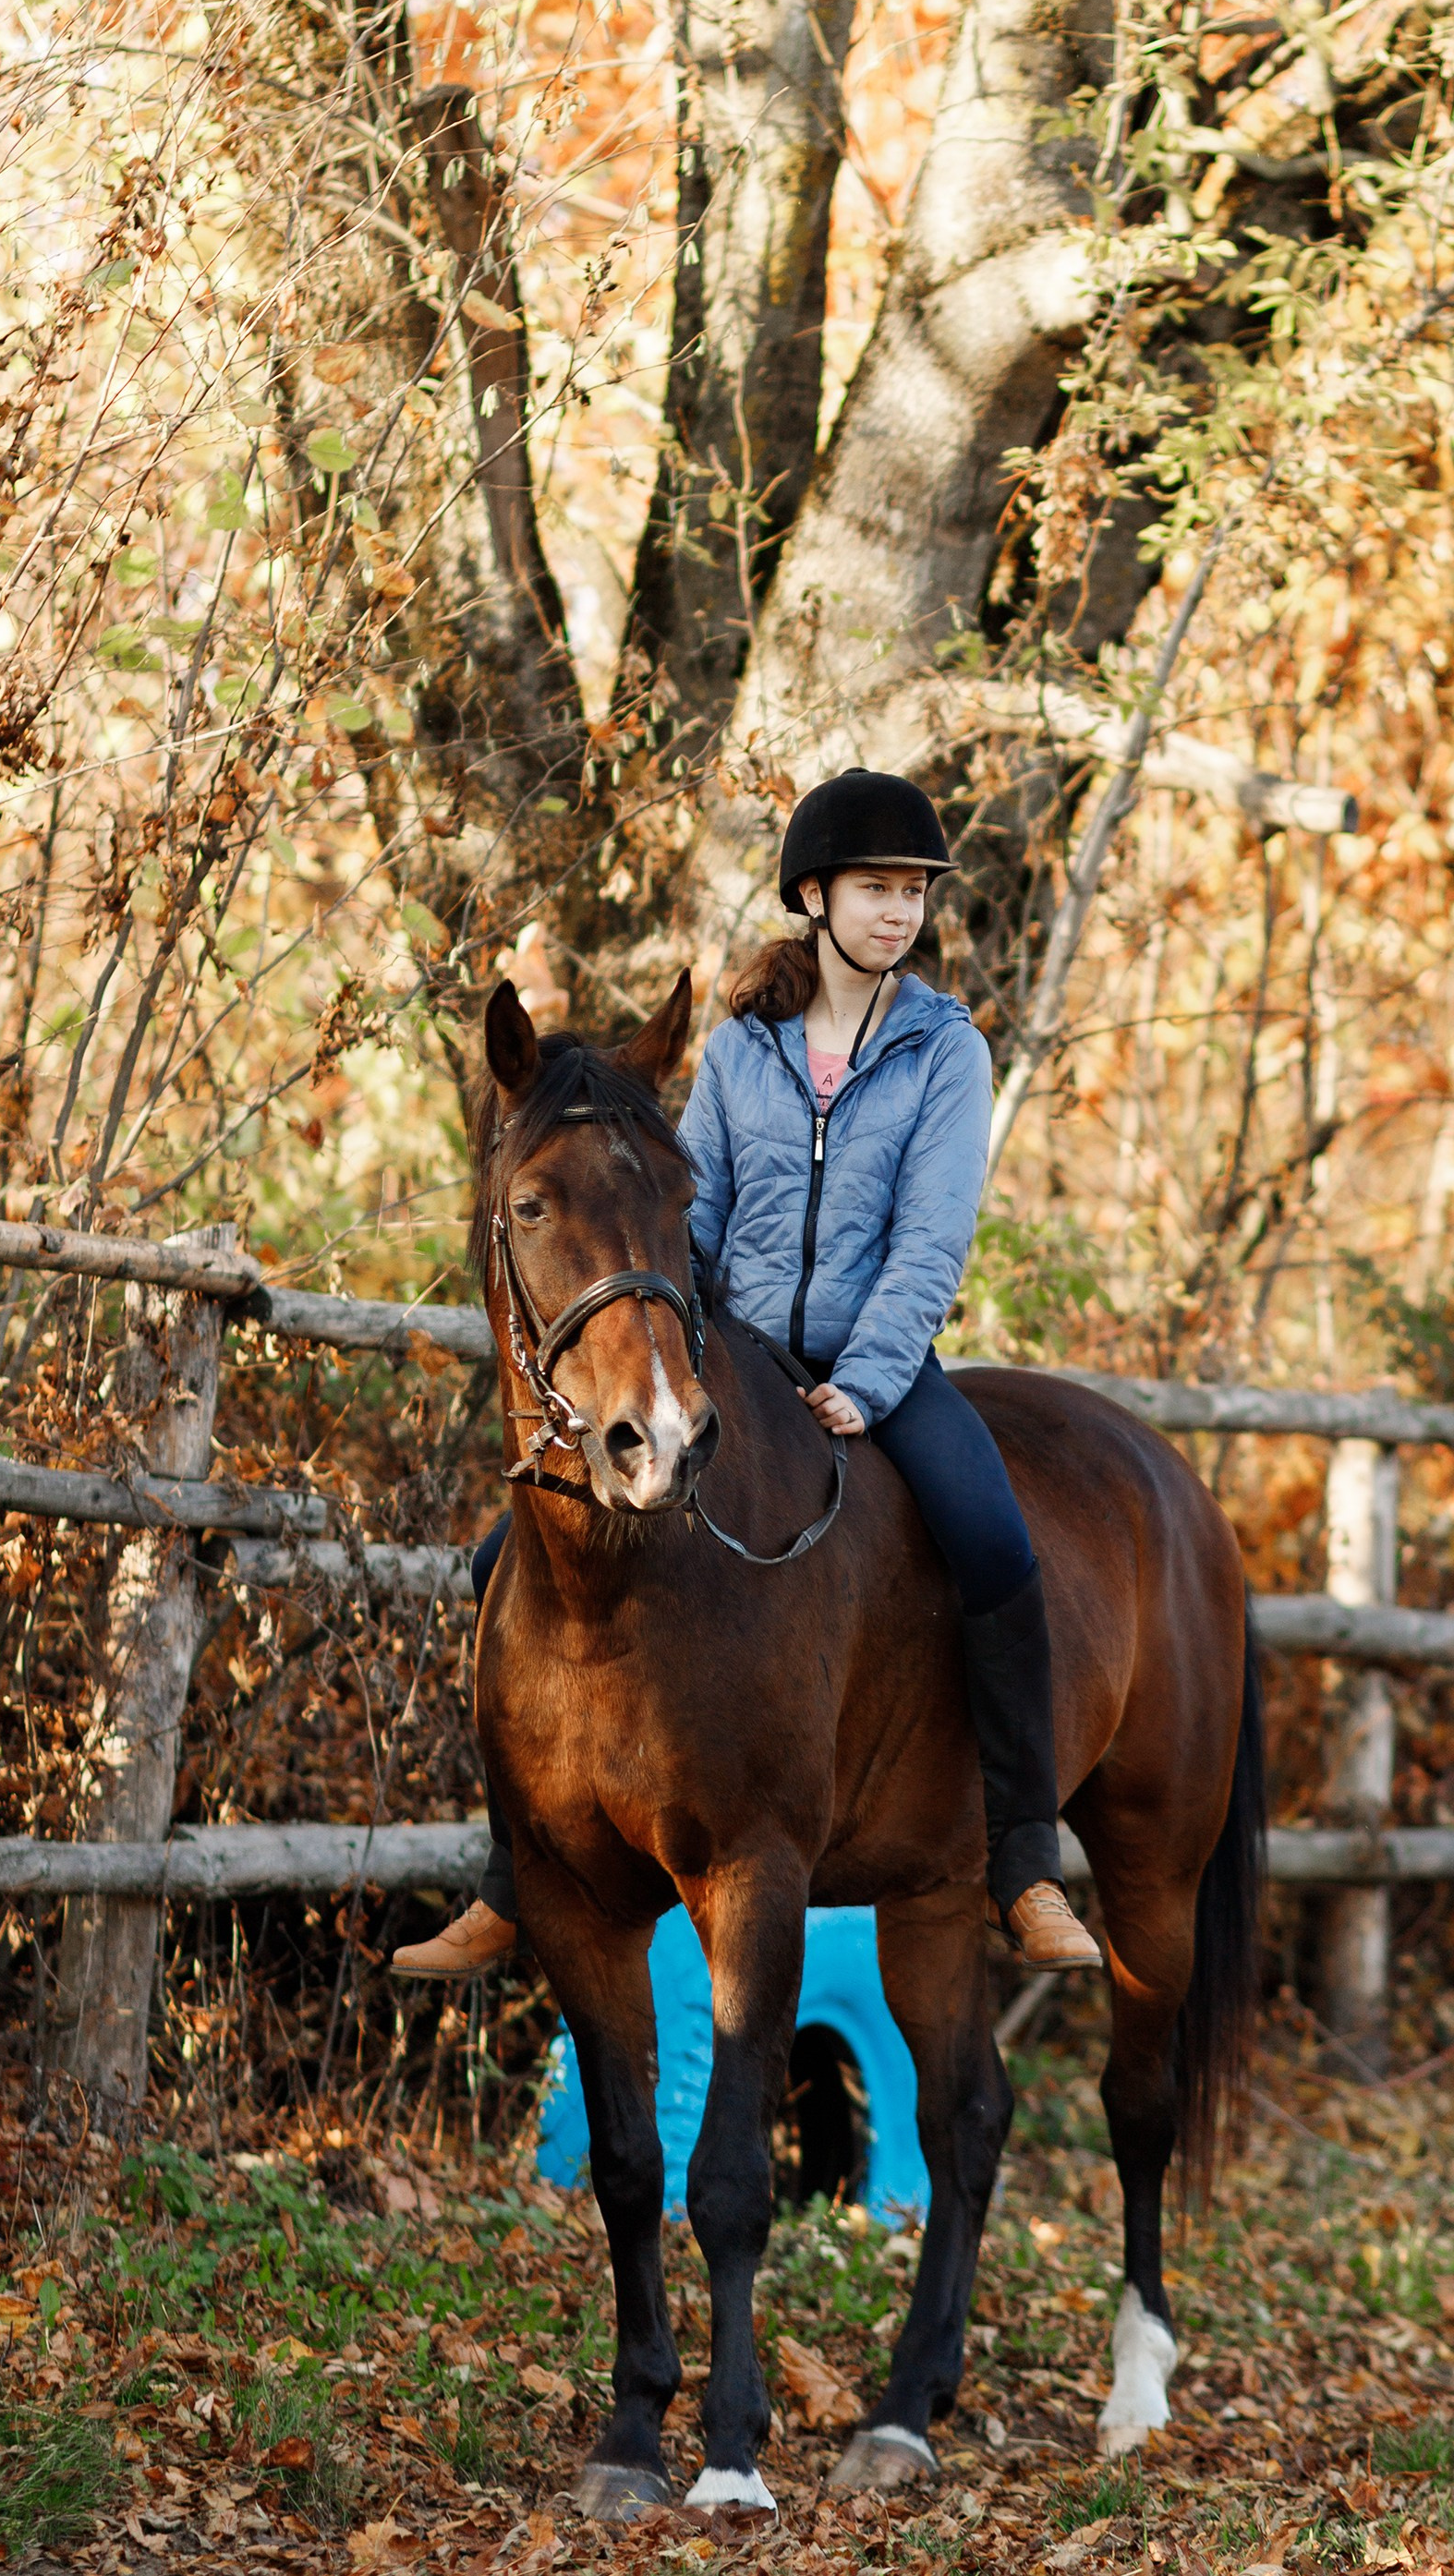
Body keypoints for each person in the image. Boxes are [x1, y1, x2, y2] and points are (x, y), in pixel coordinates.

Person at [394, 768, 1101, 1979]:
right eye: (875, 890)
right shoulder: (738, 1052)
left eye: (914, 894)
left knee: (994, 1543)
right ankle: (512, 1879)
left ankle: (1027, 1864)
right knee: (494, 1562)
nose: (898, 913)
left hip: (880, 1364)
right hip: (741, 1357)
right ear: (815, 898)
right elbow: (690, 1224)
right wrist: (682, 1364)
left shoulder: (947, 1053)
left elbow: (932, 1242)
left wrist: (869, 1381)